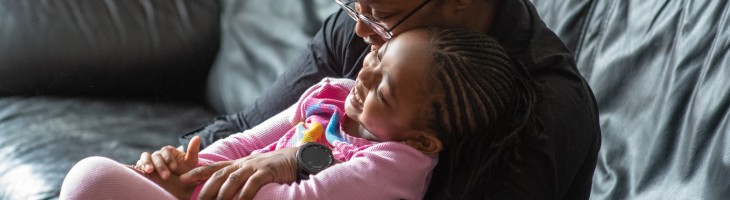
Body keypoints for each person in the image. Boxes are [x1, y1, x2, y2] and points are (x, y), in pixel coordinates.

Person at [60, 27, 543, 199]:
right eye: (376, 59)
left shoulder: (395, 166)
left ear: (422, 139)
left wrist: (187, 192)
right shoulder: (335, 91)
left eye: (385, 92)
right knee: (106, 180)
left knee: (91, 180)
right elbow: (245, 143)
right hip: (209, 193)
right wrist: (186, 170)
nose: (364, 80)